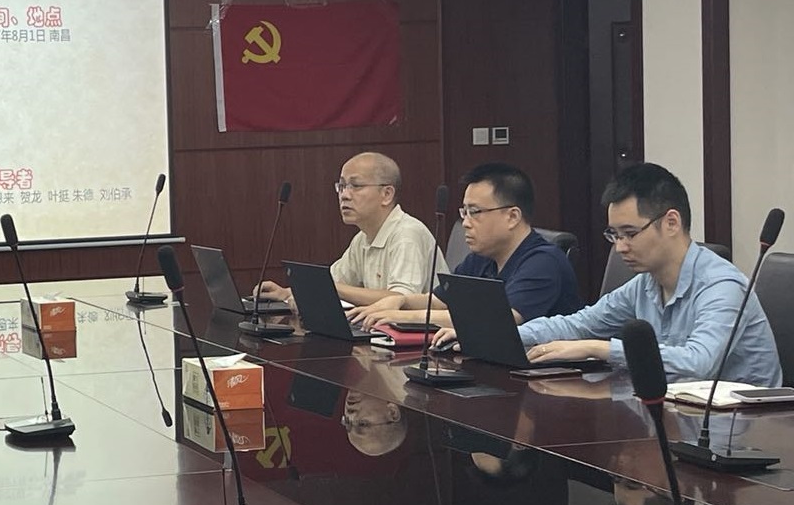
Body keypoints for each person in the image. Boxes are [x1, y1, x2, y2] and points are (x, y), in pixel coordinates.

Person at [513, 163, 782, 385]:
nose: (620, 247)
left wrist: (598, 348)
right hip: (675, 411)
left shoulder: (722, 286)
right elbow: (580, 324)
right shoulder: (644, 284)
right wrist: (508, 335)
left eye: (630, 234)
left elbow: (699, 363)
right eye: (614, 235)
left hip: (746, 423)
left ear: (671, 223)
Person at [350, 162, 582, 329]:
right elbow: (440, 302)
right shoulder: (483, 256)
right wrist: (401, 301)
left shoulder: (544, 262)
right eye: (465, 212)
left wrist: (402, 316)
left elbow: (500, 321)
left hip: (546, 376)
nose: (466, 223)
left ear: (512, 216)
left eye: (475, 212)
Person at [257, 152, 447, 306]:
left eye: (355, 186)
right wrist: (287, 293)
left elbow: (401, 300)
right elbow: (335, 281)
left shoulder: (407, 234)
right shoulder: (363, 237)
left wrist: (333, 288)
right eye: (341, 186)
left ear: (387, 194)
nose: (344, 195)